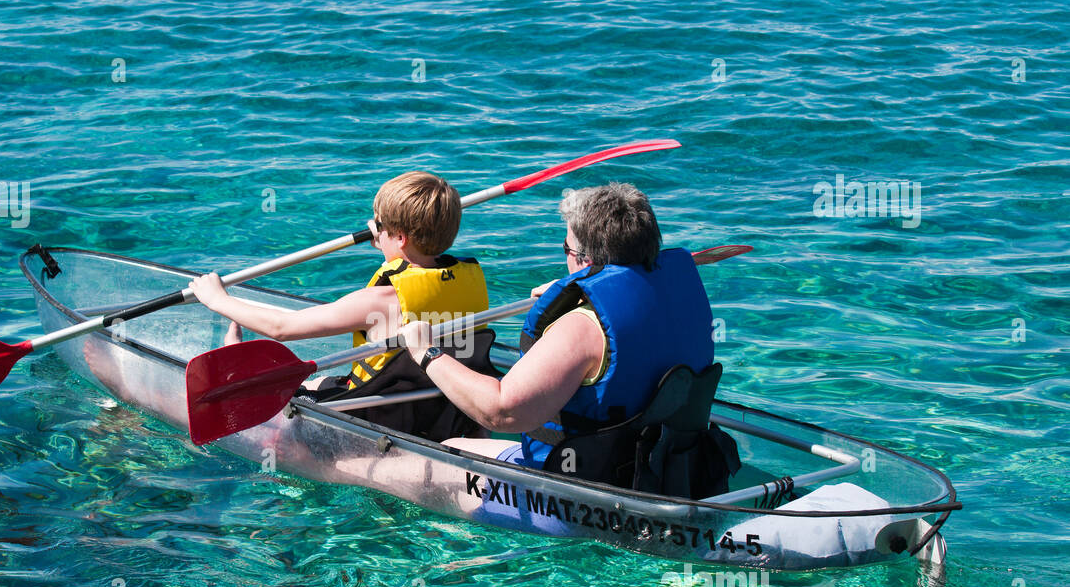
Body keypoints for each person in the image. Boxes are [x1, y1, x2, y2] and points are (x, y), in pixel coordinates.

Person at [400, 182, 726, 490]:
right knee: (460, 445)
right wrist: (579, 290)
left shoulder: (581, 327)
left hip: (578, 491)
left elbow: (501, 412)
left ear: (586, 259)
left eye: (567, 248)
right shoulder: (677, 299)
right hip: (671, 471)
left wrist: (426, 351)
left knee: (417, 459)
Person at [187, 171, 494, 438]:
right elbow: (419, 271)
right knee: (322, 382)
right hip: (440, 407)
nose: (374, 229)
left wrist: (218, 300)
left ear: (400, 237)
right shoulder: (470, 276)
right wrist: (389, 239)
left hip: (382, 413)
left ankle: (237, 365)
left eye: (380, 225)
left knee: (288, 397)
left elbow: (282, 328)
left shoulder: (383, 300)